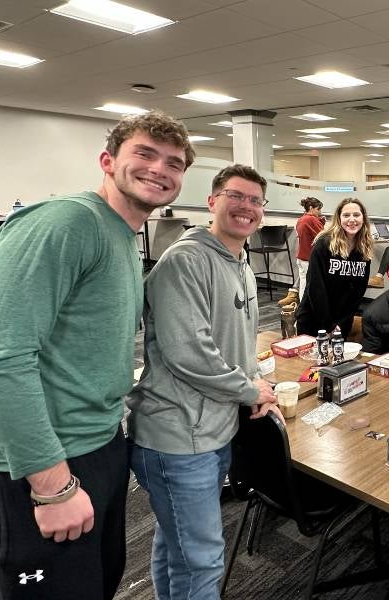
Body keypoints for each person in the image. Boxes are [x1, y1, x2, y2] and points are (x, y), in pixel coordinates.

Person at [0, 111, 194, 599]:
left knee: (94, 584)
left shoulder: (120, 234)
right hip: (34, 463)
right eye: (145, 153)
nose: (160, 169)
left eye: (174, 163)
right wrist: (52, 485)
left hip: (95, 443)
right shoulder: (68, 221)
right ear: (107, 160)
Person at [126, 165, 281, 600]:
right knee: (203, 559)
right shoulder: (186, 261)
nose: (246, 207)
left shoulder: (240, 263)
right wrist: (250, 390)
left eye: (255, 200)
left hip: (211, 430)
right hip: (177, 437)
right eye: (236, 196)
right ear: (212, 201)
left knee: (175, 544)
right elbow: (189, 353)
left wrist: (251, 383)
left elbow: (236, 344)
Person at [296, 197, 373, 336]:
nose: (352, 219)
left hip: (341, 323)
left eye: (356, 215)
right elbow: (315, 288)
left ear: (363, 218)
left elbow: (358, 291)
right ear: (339, 218)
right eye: (346, 215)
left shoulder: (364, 249)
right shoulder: (324, 244)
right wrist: (328, 325)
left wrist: (341, 324)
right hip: (314, 320)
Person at [291, 196, 325, 303]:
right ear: (311, 207)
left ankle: (303, 306)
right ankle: (310, 308)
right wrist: (321, 223)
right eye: (318, 209)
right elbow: (323, 236)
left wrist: (320, 222)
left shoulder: (301, 219)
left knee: (303, 284)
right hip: (309, 258)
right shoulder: (311, 219)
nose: (320, 212)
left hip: (301, 257)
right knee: (311, 286)